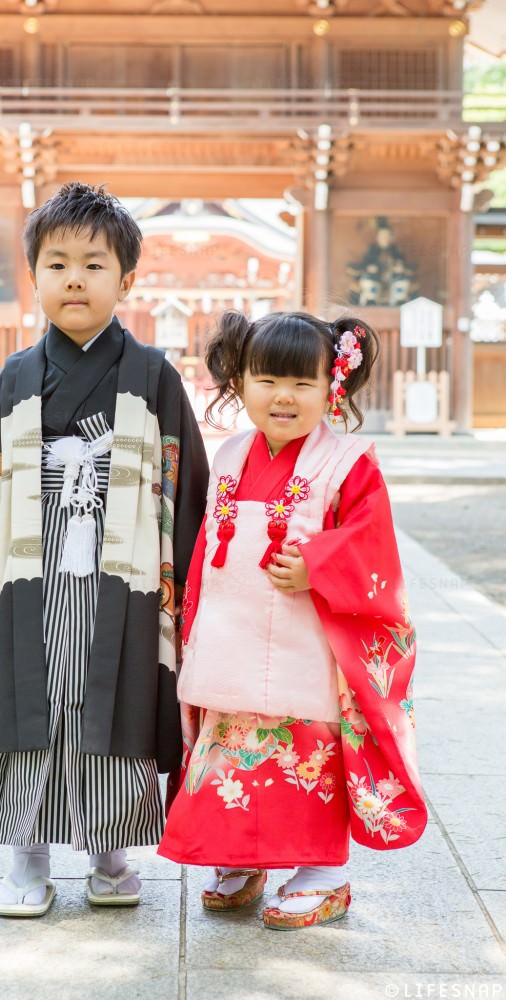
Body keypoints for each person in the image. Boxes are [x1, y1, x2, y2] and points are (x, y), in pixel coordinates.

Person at [0, 182, 208, 918]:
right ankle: (26, 858)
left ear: (127, 278)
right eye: (57, 265)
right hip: (32, 565)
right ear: (35, 278)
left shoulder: (154, 375)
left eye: (94, 264)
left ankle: (111, 856)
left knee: (113, 704)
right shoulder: (13, 379)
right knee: (31, 703)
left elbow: (186, 482)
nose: (75, 279)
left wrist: (186, 574)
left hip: (124, 572)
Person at [158, 310, 427, 930]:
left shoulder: (349, 461)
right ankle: (239, 858)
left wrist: (318, 567)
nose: (283, 397)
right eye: (266, 379)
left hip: (309, 643)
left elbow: (372, 542)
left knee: (302, 750)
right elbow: (204, 547)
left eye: (302, 383)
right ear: (240, 382)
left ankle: (324, 875)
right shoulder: (228, 454)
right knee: (231, 741)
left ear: (331, 386)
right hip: (230, 631)